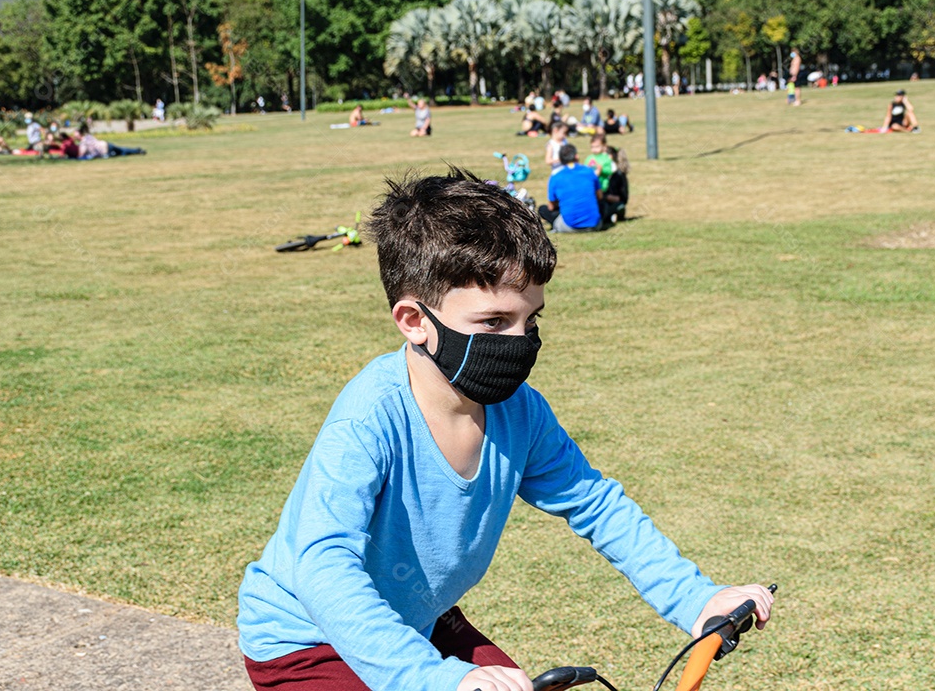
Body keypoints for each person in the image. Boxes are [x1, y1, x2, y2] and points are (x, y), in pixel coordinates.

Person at [237, 167, 775, 690]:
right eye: (495, 323)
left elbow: (597, 505)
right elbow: (322, 566)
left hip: (416, 618)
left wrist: (695, 597)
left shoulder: (520, 412)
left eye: (531, 321)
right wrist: (434, 678)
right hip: (305, 642)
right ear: (414, 321)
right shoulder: (370, 417)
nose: (518, 343)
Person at [538, 144, 603, 233]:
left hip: (570, 226)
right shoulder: (589, 171)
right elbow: (599, 196)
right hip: (595, 224)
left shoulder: (555, 177)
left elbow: (551, 206)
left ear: (560, 159)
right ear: (576, 156)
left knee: (543, 209)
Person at [76, 124, 146, 159]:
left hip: (105, 151)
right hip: (105, 144)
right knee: (122, 150)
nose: (75, 136)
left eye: (76, 135)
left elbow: (81, 155)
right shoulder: (88, 136)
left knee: (122, 152)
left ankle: (137, 151)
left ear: (79, 135)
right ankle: (137, 150)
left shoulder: (83, 143)